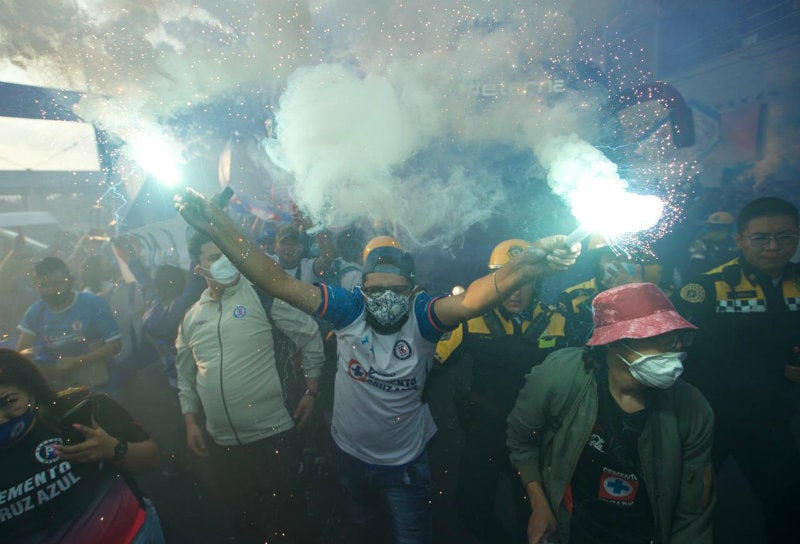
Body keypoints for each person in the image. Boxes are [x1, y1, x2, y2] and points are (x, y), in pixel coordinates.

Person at [174, 187, 581, 544]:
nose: (385, 299)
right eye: (375, 291)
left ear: (415, 291)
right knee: (362, 531)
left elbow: (474, 298)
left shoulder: (424, 316)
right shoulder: (350, 309)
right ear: (362, 289)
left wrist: (529, 263)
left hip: (405, 466)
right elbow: (276, 281)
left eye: (397, 292)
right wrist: (218, 225)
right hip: (349, 456)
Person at [507, 282, 715, 544]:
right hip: (573, 531)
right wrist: (539, 505)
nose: (674, 350)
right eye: (658, 337)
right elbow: (522, 442)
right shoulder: (560, 377)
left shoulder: (692, 408)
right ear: (616, 343)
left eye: (675, 339)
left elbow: (693, 514)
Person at [175, 232, 326, 544]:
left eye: (227, 255)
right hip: (223, 444)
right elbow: (185, 375)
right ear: (198, 266)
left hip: (273, 435)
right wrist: (190, 420)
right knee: (244, 523)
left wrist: (311, 390)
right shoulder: (192, 317)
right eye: (213, 257)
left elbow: (309, 334)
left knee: (290, 522)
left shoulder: (261, 295)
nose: (222, 263)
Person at [672, 196, 800, 543]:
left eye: (785, 237)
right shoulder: (708, 287)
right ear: (739, 240)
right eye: (760, 238)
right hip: (707, 417)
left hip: (772, 417)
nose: (773, 246)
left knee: (786, 505)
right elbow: (671, 348)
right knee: (689, 505)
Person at [433, 239, 567, 543]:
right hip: (485, 432)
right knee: (469, 507)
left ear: (538, 282)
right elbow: (431, 366)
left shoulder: (556, 320)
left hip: (536, 437)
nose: (515, 290)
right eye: (509, 279)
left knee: (533, 518)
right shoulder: (469, 319)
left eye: (525, 281)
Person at [0, 349, 163, 543]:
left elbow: (151, 459)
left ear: (30, 388)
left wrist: (112, 449)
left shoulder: (81, 409)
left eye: (9, 402)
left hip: (135, 536)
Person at [17, 257, 122, 391]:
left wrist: (79, 361)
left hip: (98, 382)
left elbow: (115, 345)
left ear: (70, 281)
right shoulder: (35, 311)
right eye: (43, 285)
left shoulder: (93, 303)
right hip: (57, 386)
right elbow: (22, 353)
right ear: (36, 286)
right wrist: (50, 370)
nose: (51, 290)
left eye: (57, 284)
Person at [557, 238, 664, 346]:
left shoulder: (655, 292)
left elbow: (663, 333)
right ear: (596, 262)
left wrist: (634, 294)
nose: (620, 260)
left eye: (626, 254)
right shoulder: (573, 297)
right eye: (612, 254)